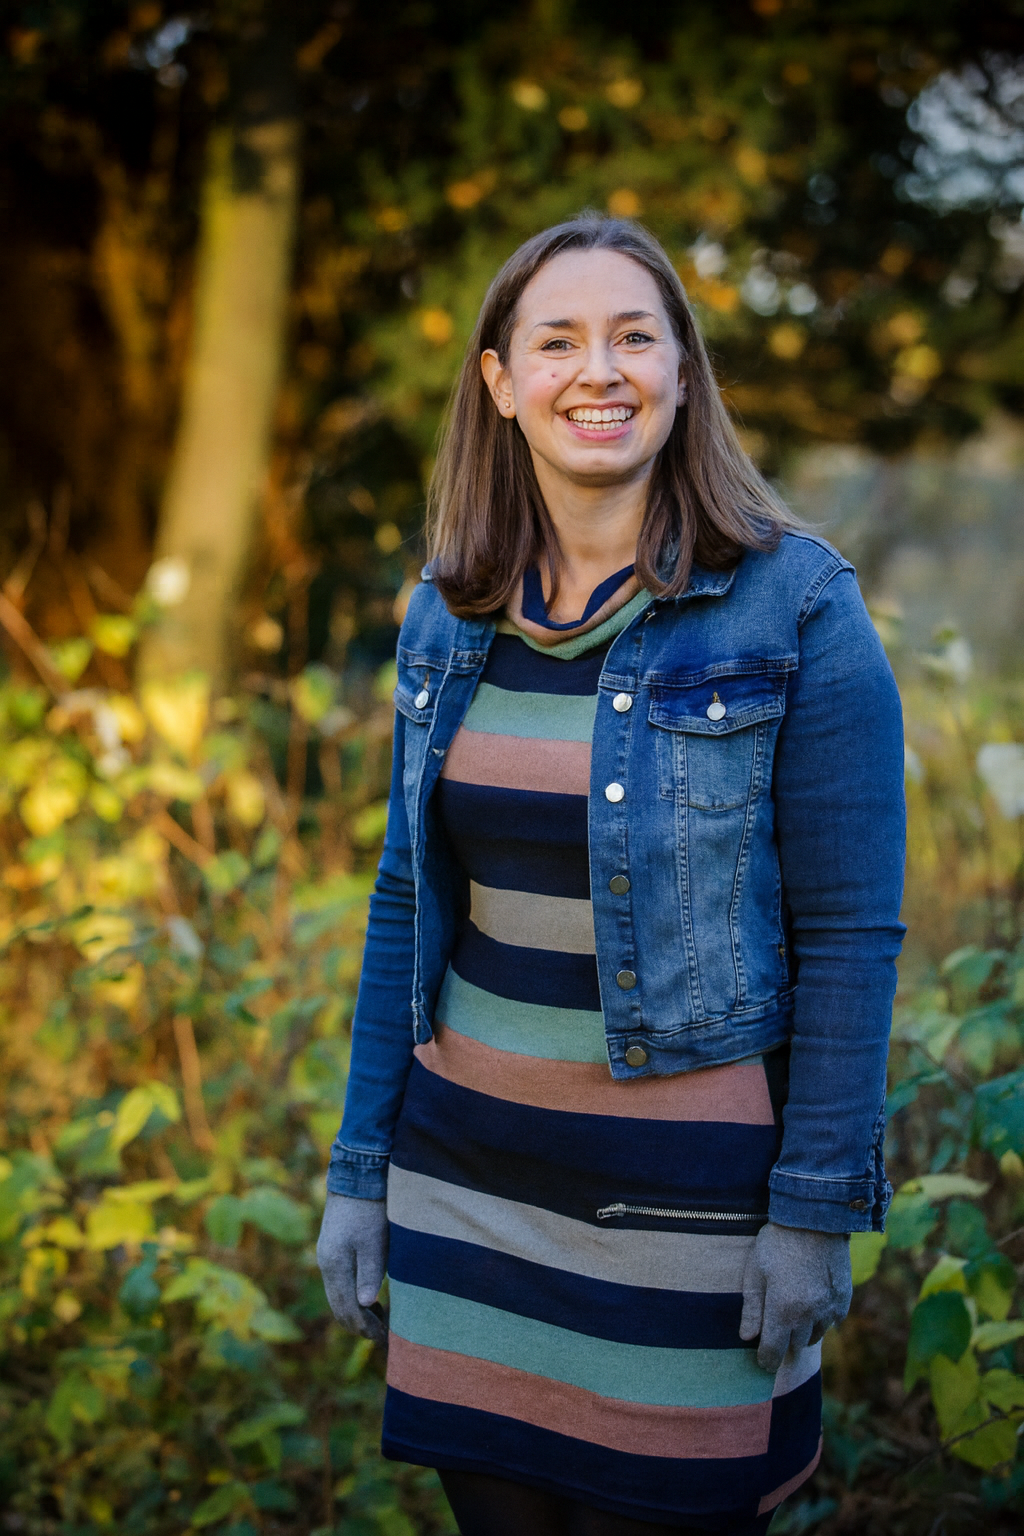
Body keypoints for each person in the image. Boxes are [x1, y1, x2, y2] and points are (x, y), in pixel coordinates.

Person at [317, 214, 905, 1535]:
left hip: (683, 1213)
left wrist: (812, 1216)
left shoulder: (798, 607)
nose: (603, 370)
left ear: (682, 372)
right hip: (470, 1189)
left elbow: (854, 934)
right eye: (560, 340)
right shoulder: (446, 609)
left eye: (636, 335)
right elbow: (409, 902)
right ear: (500, 383)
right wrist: (362, 1173)